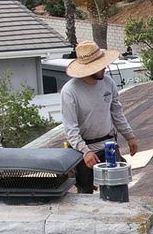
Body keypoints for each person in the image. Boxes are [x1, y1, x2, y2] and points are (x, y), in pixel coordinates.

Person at [58, 40, 141, 193]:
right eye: (100, 67)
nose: (104, 68)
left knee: (117, 189)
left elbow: (117, 113)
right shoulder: (70, 91)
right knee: (86, 194)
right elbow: (70, 129)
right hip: (84, 150)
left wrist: (129, 136)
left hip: (108, 145)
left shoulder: (108, 83)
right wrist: (85, 151)